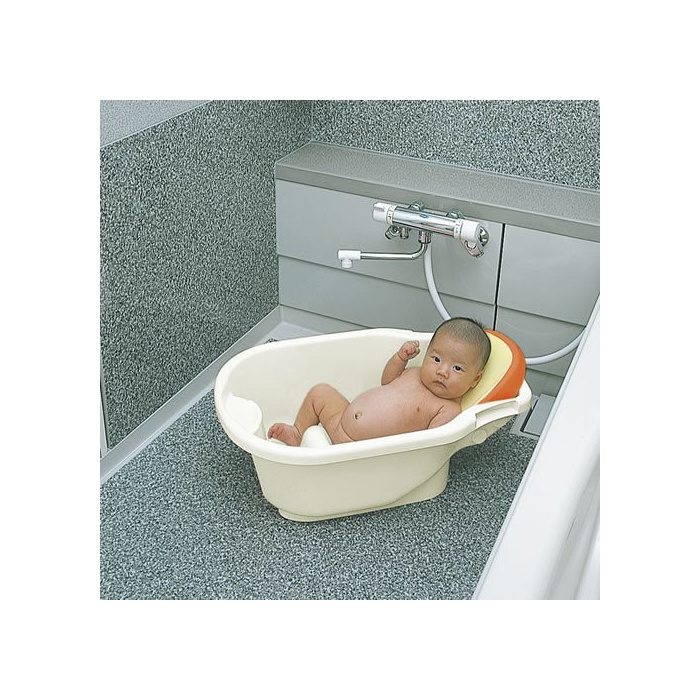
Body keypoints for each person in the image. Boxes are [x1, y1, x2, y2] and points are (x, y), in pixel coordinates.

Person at [267, 317, 492, 446]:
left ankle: (317, 455)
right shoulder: (415, 373)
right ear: (427, 354)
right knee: (321, 392)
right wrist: (400, 358)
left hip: (360, 449)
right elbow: (387, 381)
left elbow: (428, 445)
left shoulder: (448, 408)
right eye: (436, 359)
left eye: (457, 368)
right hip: (340, 420)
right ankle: (297, 433)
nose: (442, 371)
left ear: (475, 379)